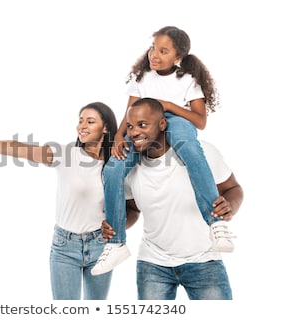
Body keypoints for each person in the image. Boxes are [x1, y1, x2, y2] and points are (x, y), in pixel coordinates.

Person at [0, 102, 130, 300]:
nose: (81, 126)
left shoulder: (117, 165)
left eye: (90, 121)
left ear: (106, 127)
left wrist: (116, 227)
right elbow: (17, 148)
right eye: (80, 120)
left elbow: (130, 209)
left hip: (101, 246)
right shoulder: (65, 154)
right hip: (65, 247)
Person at [91, 26, 235, 276]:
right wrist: (117, 136)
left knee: (189, 148)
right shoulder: (142, 78)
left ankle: (215, 222)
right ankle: (116, 244)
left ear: (178, 57)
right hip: (142, 126)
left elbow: (199, 121)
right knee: (114, 168)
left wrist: (167, 105)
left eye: (163, 51)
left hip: (175, 119)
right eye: (153, 48)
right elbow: (130, 112)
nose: (154, 55)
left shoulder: (187, 80)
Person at [102, 98, 243, 299]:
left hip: (205, 261)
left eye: (142, 125)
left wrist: (230, 206)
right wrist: (117, 225)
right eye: (130, 126)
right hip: (153, 264)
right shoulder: (130, 168)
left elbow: (233, 189)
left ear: (162, 124)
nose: (133, 133)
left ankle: (217, 227)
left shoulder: (202, 153)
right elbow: (133, 210)